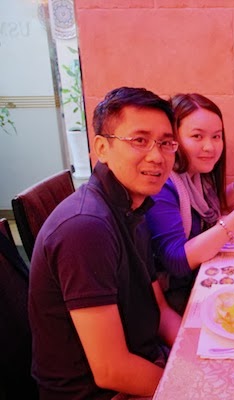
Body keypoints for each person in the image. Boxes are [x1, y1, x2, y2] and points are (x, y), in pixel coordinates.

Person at [28, 87, 182, 399]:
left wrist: (197, 353)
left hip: (143, 361)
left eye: (166, 143)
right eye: (139, 140)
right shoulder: (86, 228)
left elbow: (160, 309)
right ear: (102, 147)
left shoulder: (133, 208)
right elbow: (111, 369)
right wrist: (195, 388)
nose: (157, 156)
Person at [146, 93, 234, 314]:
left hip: (200, 277)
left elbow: (205, 212)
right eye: (197, 136)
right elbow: (177, 261)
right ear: (173, 138)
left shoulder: (195, 173)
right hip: (179, 295)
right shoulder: (163, 185)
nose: (210, 147)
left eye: (216, 136)